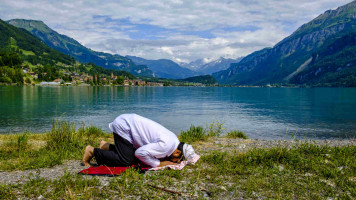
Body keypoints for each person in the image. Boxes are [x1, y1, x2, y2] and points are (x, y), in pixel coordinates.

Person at [82, 113, 195, 168]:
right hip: (124, 126)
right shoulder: (166, 146)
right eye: (177, 160)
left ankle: (105, 146)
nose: (175, 162)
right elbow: (139, 153)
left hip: (129, 124)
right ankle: (92, 151)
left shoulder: (174, 141)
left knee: (129, 155)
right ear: (177, 152)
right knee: (126, 161)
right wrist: (159, 163)